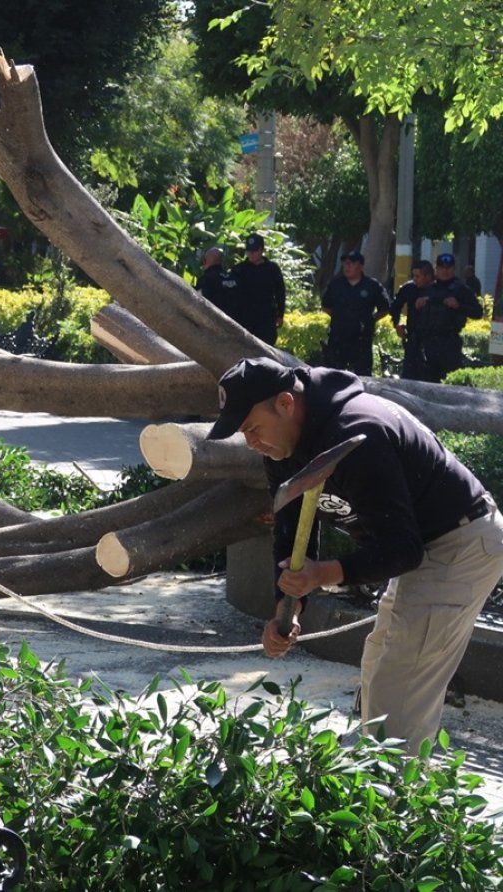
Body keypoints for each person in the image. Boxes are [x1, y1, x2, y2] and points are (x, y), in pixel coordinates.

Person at [206, 356, 503, 756]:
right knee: (377, 662)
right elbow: (293, 531)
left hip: (459, 543)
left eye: (252, 428)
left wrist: (323, 573)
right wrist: (288, 608)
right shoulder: (282, 449)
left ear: (285, 403)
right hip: (423, 545)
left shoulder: (360, 432)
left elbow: (402, 548)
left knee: (398, 689)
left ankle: (393, 802)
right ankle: (374, 779)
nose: (251, 442)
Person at [320, 250, 390, 375]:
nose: (347, 267)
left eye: (351, 264)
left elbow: (385, 309)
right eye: (345, 264)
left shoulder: (372, 286)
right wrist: (340, 317)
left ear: (361, 267)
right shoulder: (336, 284)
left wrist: (369, 320)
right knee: (333, 375)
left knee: (363, 375)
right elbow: (326, 306)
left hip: (361, 339)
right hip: (338, 338)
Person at [421, 252, 483, 381]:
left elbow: (478, 313)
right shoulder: (429, 288)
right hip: (429, 343)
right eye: (442, 267)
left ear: (454, 269)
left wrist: (458, 306)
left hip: (449, 343)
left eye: (448, 268)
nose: (445, 271)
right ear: (436, 269)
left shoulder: (462, 289)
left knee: (449, 382)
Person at [230, 233, 286, 345]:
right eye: (249, 251)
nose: (251, 254)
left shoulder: (272, 269)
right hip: (245, 317)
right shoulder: (239, 269)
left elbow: (280, 292)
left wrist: (280, 315)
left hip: (265, 318)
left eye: (254, 251)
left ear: (262, 250)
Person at [389, 259, 435, 381]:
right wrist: (397, 324)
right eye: (413, 276)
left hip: (434, 340)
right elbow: (395, 307)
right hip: (413, 338)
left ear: (428, 276)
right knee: (409, 375)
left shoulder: (438, 290)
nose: (415, 279)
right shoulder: (409, 288)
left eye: (418, 276)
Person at [198, 246, 240, 320]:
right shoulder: (233, 278)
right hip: (236, 323)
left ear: (205, 261)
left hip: (215, 322)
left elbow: (198, 300)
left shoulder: (207, 279)